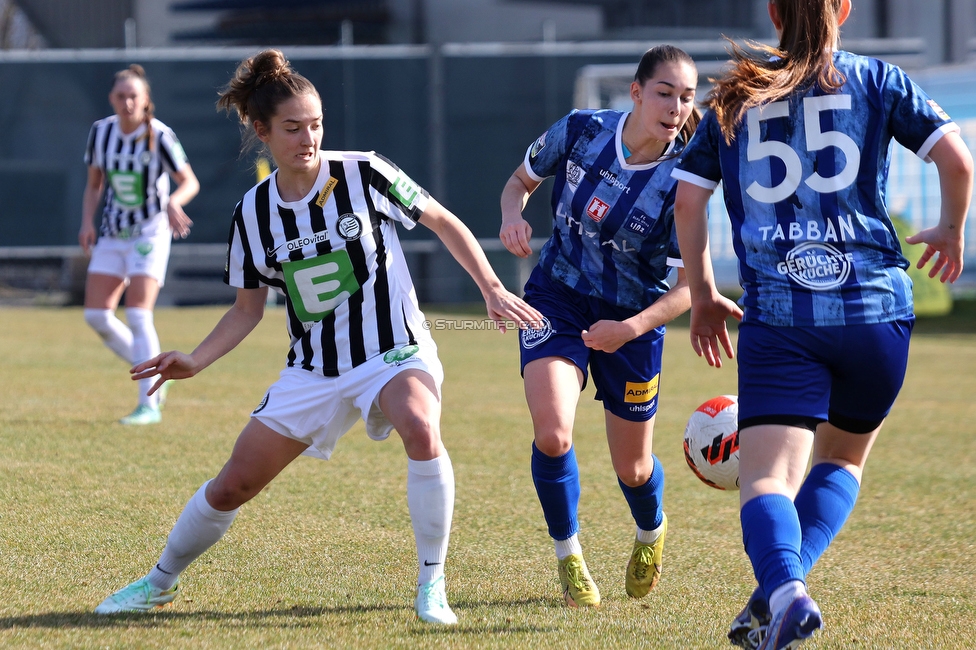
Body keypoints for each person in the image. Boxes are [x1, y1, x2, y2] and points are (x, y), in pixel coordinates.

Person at [92, 49, 543, 625]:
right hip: (314, 369)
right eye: (292, 128)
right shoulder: (252, 213)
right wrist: (196, 360)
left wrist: (490, 288)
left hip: (393, 347)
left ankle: (433, 585)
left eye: (316, 125)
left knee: (420, 424)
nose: (308, 138)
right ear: (261, 131)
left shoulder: (363, 171)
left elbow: (443, 220)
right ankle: (158, 582)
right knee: (233, 486)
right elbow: (246, 310)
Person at [671, 1, 973, 648]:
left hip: (782, 316)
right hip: (876, 314)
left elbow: (688, 199)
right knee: (842, 460)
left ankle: (782, 593)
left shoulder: (735, 93)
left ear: (774, 12)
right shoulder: (878, 79)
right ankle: (777, 600)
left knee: (768, 480)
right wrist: (951, 229)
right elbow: (959, 162)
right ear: (845, 9)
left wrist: (701, 294)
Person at [499, 45, 698, 607]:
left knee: (633, 469)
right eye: (665, 93)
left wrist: (628, 330)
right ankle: (569, 557)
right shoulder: (581, 129)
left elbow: (687, 290)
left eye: (686, 97)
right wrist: (513, 215)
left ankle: (650, 532)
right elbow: (518, 182)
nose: (677, 106)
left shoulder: (687, 178)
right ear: (636, 92)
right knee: (553, 432)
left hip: (634, 320)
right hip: (555, 298)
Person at [80, 64, 200, 425]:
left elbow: (189, 181)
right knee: (97, 315)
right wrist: (86, 222)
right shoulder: (101, 133)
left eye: (134, 95)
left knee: (137, 313)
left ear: (146, 99)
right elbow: (95, 184)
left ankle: (148, 405)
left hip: (150, 233)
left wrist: (174, 201)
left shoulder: (159, 135)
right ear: (112, 99)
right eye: (121, 96)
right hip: (113, 233)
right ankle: (157, 369)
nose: (127, 102)